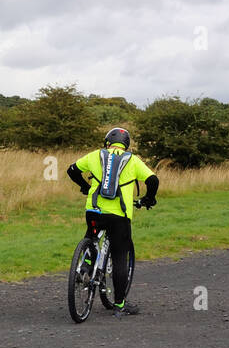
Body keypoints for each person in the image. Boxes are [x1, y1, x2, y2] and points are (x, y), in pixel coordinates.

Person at [66, 128, 159, 316]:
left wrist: (85, 186)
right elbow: (153, 180)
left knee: (91, 238)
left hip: (94, 212)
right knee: (119, 257)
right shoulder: (132, 160)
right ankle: (119, 304)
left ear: (107, 142)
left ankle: (85, 268)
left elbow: (72, 170)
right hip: (119, 216)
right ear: (126, 145)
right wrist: (149, 198)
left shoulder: (95, 155)